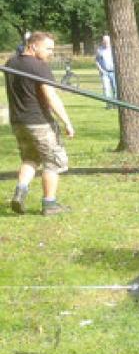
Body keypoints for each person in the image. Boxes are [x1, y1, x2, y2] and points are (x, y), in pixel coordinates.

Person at [5, 31, 75, 216]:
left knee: (31, 158)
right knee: (53, 162)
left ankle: (20, 192)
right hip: (39, 122)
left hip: (18, 122)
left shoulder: (11, 63)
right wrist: (67, 121)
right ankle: (49, 204)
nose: (51, 52)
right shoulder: (39, 66)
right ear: (33, 46)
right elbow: (51, 96)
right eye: (48, 48)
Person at [95, 35, 116, 109]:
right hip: (105, 72)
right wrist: (100, 70)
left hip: (114, 72)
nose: (106, 42)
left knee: (115, 88)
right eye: (104, 41)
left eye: (107, 41)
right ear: (102, 41)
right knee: (106, 88)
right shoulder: (99, 50)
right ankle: (109, 105)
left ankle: (116, 104)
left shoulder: (114, 49)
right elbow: (96, 60)